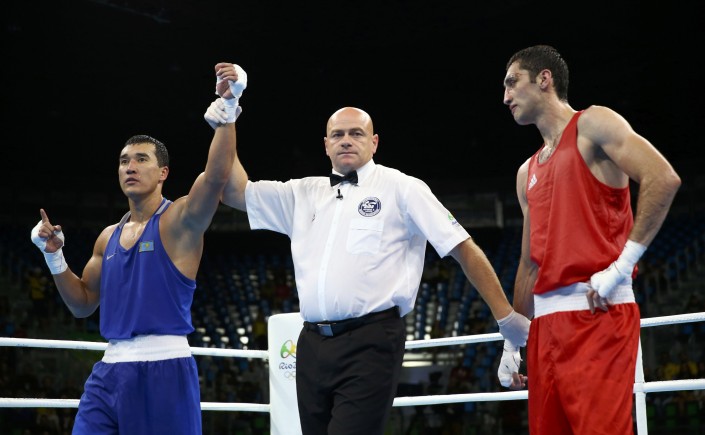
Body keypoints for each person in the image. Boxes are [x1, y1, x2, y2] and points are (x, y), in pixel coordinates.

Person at [219, 91, 531, 434]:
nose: (346, 140)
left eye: (356, 133)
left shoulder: (402, 188)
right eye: (338, 134)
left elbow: (463, 247)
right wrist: (228, 113)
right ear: (326, 145)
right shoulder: (301, 193)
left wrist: (505, 317)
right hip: (310, 344)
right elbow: (232, 190)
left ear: (374, 142)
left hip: (371, 341)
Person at [29, 62, 248, 434]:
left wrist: (228, 108)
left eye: (141, 159)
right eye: (124, 161)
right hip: (109, 369)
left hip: (164, 365)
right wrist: (53, 255)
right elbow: (83, 304)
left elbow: (215, 178)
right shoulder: (107, 237)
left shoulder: (178, 221)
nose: (130, 167)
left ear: (163, 173)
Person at [498, 44, 681, 435]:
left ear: (544, 79)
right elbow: (530, 263)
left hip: (598, 314)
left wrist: (621, 267)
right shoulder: (526, 172)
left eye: (512, 83)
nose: (506, 97)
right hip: (544, 329)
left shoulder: (593, 124)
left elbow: (663, 178)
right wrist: (513, 342)